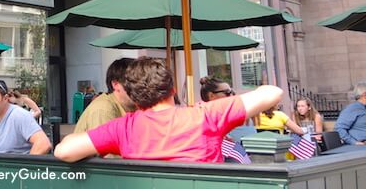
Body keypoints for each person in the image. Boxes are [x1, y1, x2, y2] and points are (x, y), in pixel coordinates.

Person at [54, 57, 284, 163]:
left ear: (134, 96)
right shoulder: (205, 115)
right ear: (173, 89)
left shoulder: (123, 127)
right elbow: (273, 93)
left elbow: (64, 151)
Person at [74, 58, 135, 135]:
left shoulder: (134, 106)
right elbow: (105, 146)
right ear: (116, 84)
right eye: (133, 82)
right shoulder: (103, 109)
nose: (140, 87)